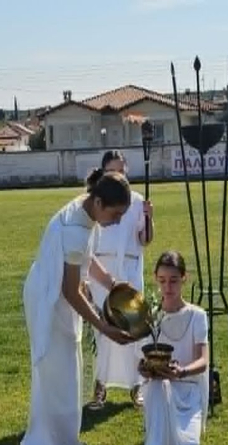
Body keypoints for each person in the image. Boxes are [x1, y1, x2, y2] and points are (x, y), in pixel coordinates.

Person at [21, 169, 136, 445]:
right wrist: (103, 327)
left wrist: (111, 283)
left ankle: (45, 439)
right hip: (50, 299)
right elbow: (70, 290)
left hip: (51, 291)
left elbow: (86, 258)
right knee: (61, 374)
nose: (118, 221)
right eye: (115, 213)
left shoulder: (86, 209)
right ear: (98, 202)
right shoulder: (76, 229)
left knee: (61, 370)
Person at [86, 150, 154, 411]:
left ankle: (137, 386)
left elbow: (145, 239)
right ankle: (100, 385)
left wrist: (149, 216)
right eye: (114, 171)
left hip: (130, 269)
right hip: (102, 269)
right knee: (103, 329)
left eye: (122, 171)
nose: (119, 176)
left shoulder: (136, 201)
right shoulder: (97, 201)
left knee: (133, 327)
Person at [138, 251, 208, 445]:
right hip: (160, 389)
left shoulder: (197, 315)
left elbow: (203, 361)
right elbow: (144, 359)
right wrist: (145, 369)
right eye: (162, 281)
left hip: (187, 390)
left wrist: (182, 372)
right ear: (155, 279)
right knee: (159, 384)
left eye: (173, 280)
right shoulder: (152, 317)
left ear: (184, 278)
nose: (167, 287)